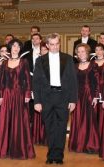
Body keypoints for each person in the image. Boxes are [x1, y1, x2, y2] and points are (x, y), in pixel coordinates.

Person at [33, 33, 77, 164]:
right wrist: (37, 101)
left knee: (61, 127)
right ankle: (50, 155)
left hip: (63, 97)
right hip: (46, 98)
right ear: (47, 45)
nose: (54, 47)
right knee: (49, 127)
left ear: (59, 44)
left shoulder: (68, 59)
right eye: (51, 44)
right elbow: (36, 82)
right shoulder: (40, 60)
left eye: (57, 44)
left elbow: (73, 81)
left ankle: (58, 156)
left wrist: (73, 100)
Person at [0, 39, 35, 159]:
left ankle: (20, 149)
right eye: (13, 46)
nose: (15, 48)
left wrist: (28, 94)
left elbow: (27, 80)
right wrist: (0, 95)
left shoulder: (24, 62)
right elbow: (0, 81)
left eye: (18, 46)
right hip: (6, 94)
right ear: (10, 48)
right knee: (5, 121)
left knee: (20, 121)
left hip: (19, 94)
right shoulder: (4, 63)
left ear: (20, 48)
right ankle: (4, 149)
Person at [68, 43, 100, 154]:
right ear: (76, 54)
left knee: (89, 119)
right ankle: (78, 144)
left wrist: (96, 96)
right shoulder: (74, 66)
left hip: (89, 95)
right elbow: (71, 83)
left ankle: (90, 145)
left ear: (87, 52)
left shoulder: (93, 65)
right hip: (77, 96)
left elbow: (97, 82)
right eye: (79, 51)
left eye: (83, 51)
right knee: (77, 119)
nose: (81, 53)